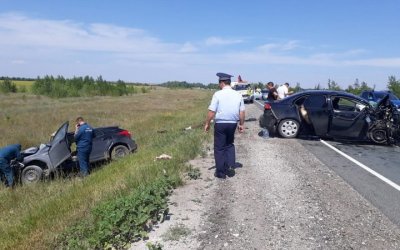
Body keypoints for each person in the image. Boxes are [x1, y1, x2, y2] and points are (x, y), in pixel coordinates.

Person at [204, 72, 245, 179]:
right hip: (232, 124)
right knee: (229, 144)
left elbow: (212, 111)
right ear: (229, 83)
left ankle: (221, 173)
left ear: (222, 83)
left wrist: (207, 123)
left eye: (219, 83)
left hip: (220, 124)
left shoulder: (217, 94)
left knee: (219, 148)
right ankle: (230, 166)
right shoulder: (238, 94)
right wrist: (241, 124)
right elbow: (242, 112)